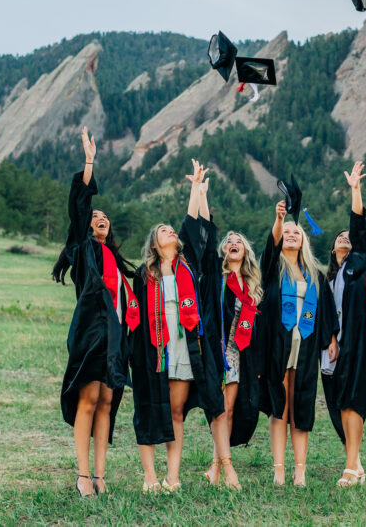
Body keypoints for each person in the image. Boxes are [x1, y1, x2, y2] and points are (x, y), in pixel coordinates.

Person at [126, 160, 226, 492]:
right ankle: (150, 477)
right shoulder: (145, 274)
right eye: (162, 231)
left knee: (177, 413)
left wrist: (197, 187)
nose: (170, 232)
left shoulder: (186, 268)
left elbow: (194, 226)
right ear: (154, 244)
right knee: (149, 409)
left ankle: (173, 476)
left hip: (184, 349)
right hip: (154, 349)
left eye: (171, 230)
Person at [54, 127, 134, 498]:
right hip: (90, 335)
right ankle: (83, 475)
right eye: (94, 214)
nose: (100, 216)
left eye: (105, 215)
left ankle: (101, 476)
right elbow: (80, 203)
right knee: (87, 399)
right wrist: (89, 161)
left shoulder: (115, 262)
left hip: (115, 339)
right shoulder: (83, 249)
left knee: (106, 402)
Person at [259, 198, 339, 487]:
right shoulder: (271, 270)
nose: (291, 235)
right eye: (287, 233)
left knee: (301, 404)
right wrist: (280, 220)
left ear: (304, 241)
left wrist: (330, 337)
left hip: (305, 343)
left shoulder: (315, 275)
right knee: (279, 405)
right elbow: (271, 246)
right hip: (278, 343)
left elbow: (326, 309)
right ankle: (279, 469)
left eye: (297, 233)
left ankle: (300, 470)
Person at [321, 161, 366, 487]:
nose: (345, 238)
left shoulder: (362, 265)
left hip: (359, 344)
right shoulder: (329, 277)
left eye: (349, 236)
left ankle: (350, 467)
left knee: (354, 400)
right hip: (335, 347)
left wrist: (355, 190)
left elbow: (358, 228)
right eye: (339, 237)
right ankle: (355, 464)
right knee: (340, 404)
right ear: (333, 248)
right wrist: (330, 338)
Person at [197, 215, 264, 490]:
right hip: (219, 351)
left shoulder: (253, 286)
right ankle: (227, 467)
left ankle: (214, 468)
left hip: (240, 354)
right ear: (224, 250)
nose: (234, 243)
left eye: (239, 242)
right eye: (229, 241)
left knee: (229, 410)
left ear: (246, 251)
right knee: (219, 409)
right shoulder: (217, 278)